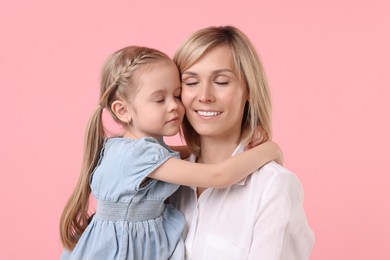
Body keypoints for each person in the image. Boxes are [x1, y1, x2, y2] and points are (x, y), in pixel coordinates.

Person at [59, 45, 283, 260]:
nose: (174, 106)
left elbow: (184, 153)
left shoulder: (125, 148)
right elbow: (218, 176)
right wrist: (270, 150)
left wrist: (242, 139)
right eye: (159, 99)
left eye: (177, 95)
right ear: (122, 110)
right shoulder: (140, 156)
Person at [168, 25, 315, 259]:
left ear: (248, 90)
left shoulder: (272, 186)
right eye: (191, 82)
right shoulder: (162, 182)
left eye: (222, 81)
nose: (204, 95)